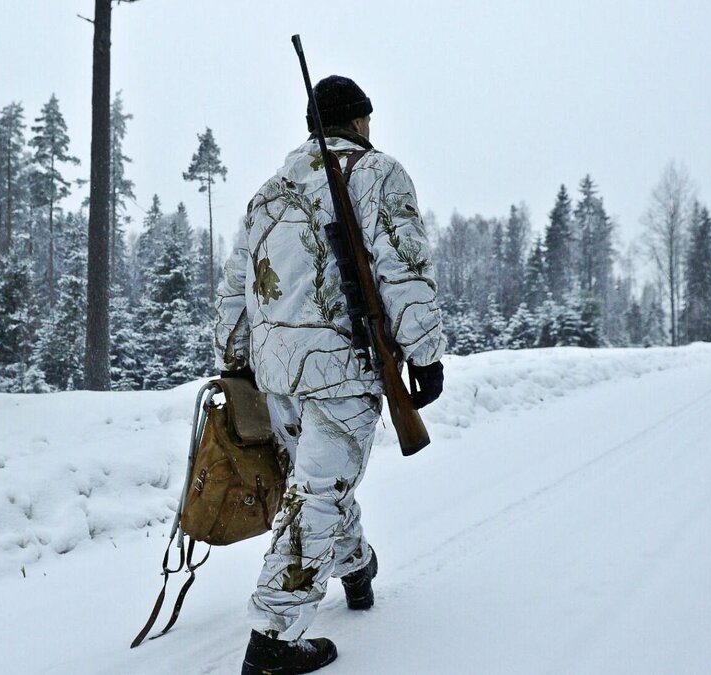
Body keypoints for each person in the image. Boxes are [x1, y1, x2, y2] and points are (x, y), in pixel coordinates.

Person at [214, 74, 447, 675]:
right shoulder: (376, 173)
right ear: (361, 121)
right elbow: (403, 265)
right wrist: (424, 353)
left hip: (276, 374)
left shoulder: (268, 193)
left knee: (316, 482)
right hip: (341, 368)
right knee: (319, 491)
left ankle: (356, 568)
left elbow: (236, 286)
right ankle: (272, 639)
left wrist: (233, 359)